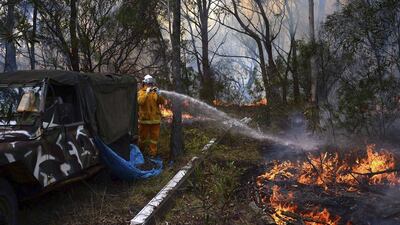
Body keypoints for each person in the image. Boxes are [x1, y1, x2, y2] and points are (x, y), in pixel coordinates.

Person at [137, 74, 166, 158]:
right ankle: (140, 152)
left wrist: (159, 94)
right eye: (148, 83)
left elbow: (162, 102)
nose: (150, 85)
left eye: (151, 83)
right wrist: (146, 93)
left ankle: (152, 154)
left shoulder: (155, 92)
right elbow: (140, 102)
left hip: (155, 120)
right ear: (144, 83)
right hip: (144, 120)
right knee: (142, 138)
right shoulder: (140, 92)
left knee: (154, 140)